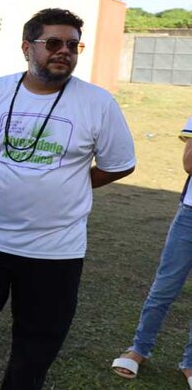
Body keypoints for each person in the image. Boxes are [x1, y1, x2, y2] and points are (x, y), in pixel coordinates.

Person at [0, 8, 136, 390]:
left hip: (55, 252)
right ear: (27, 48)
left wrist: (71, 186)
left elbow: (119, 164)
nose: (64, 51)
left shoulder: (98, 103)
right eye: (53, 43)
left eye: (72, 44)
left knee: (35, 352)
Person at [111, 116, 192, 386]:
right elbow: (189, 164)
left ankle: (191, 363)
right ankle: (138, 350)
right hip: (190, 217)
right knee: (165, 288)